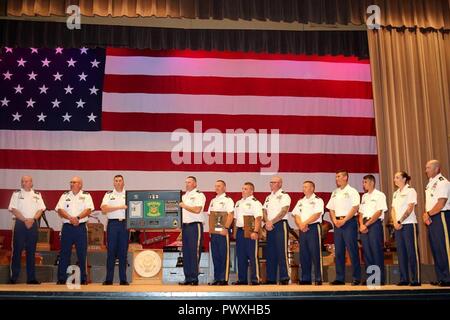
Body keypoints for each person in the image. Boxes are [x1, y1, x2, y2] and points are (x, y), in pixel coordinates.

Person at [55, 176, 94, 285]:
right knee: (64, 253)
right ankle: (62, 278)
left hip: (80, 227)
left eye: (74, 182)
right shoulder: (65, 195)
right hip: (67, 227)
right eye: (71, 182)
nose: (72, 184)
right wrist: (70, 218)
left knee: (82, 254)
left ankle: (83, 279)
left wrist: (77, 218)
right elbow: (59, 209)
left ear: (80, 184)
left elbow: (88, 210)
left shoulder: (86, 195)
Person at [8, 176, 46, 284]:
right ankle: (14, 277)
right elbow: (13, 209)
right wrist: (25, 220)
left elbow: (41, 209)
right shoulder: (16, 194)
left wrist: (33, 219)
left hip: (33, 223)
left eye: (26, 181)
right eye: (22, 181)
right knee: (17, 251)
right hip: (20, 223)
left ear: (31, 183)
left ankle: (31, 278)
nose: (24, 183)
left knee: (31, 252)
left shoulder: (37, 195)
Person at [326, 170, 361, 285]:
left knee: (352, 250)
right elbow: (331, 208)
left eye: (339, 176)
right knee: (339, 251)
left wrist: (344, 220)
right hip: (337, 224)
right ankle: (340, 278)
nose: (337, 179)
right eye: (336, 177)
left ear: (345, 177)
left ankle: (356, 277)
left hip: (349, 222)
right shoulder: (335, 192)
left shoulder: (352, 191)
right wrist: (334, 220)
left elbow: (355, 207)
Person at [423, 160, 450, 287]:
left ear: (436, 168)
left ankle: (447, 277)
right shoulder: (430, 184)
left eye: (428, 168)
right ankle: (441, 277)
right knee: (435, 248)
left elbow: (441, 203)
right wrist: (426, 215)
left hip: (441, 216)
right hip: (432, 217)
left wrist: (428, 214)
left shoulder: (442, 182)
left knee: (443, 247)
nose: (426, 170)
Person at [391, 171, 421, 286]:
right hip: (398, 226)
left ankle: (415, 279)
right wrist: (395, 222)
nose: (395, 179)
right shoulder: (395, 193)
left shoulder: (410, 191)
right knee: (401, 253)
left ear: (404, 179)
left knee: (411, 252)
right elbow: (393, 209)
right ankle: (404, 279)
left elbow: (409, 208)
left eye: (397, 177)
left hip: (409, 224)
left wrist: (400, 221)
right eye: (394, 178)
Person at [292, 181, 324, 285]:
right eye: (303, 187)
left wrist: (304, 223)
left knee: (315, 253)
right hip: (302, 229)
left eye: (306, 187)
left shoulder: (318, 200)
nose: (303, 189)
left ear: (312, 188)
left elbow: (317, 214)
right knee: (304, 254)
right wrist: (300, 224)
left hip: (313, 227)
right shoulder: (301, 201)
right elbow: (296, 215)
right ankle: (306, 278)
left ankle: (318, 278)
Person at [358, 175, 388, 285]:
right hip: (364, 224)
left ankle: (379, 279)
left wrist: (367, 224)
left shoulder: (380, 195)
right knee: (367, 252)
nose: (363, 184)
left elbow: (379, 212)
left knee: (376, 251)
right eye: (363, 182)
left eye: (365, 182)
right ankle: (371, 279)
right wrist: (361, 224)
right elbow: (360, 213)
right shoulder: (364, 196)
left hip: (374, 224)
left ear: (371, 182)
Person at [101, 175, 129, 286]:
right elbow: (103, 208)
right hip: (112, 224)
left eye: (120, 180)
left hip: (124, 224)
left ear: (123, 182)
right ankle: (109, 279)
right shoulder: (108, 195)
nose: (118, 182)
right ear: (113, 183)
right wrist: (120, 207)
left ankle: (123, 279)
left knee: (123, 252)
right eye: (116, 181)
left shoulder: (127, 195)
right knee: (111, 252)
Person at [263, 176, 291, 285]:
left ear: (280, 184)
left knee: (281, 251)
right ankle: (271, 278)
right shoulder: (268, 197)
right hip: (269, 225)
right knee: (270, 253)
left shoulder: (284, 196)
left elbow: (284, 211)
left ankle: (284, 277)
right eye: (271, 182)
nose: (271, 184)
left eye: (274, 182)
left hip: (280, 225)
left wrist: (271, 222)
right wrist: (267, 222)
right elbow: (264, 210)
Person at [233, 182, 262, 285]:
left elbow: (258, 218)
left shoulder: (255, 202)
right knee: (240, 256)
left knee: (252, 255)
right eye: (242, 188)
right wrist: (235, 233)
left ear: (251, 191)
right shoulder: (238, 203)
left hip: (251, 231)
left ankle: (255, 279)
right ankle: (242, 279)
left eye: (245, 189)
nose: (243, 190)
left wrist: (256, 231)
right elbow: (236, 220)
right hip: (240, 231)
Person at [178, 176, 206, 286]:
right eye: (186, 182)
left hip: (195, 226)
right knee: (187, 253)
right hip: (185, 227)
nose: (187, 184)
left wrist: (184, 205)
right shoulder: (184, 196)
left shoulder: (199, 195)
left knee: (194, 252)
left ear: (195, 184)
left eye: (189, 182)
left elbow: (197, 209)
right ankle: (188, 277)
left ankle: (194, 278)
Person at [207, 180, 234, 285]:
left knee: (224, 255)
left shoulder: (228, 200)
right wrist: (210, 229)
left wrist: (226, 228)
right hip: (214, 233)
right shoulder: (213, 200)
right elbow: (210, 215)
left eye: (219, 186)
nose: (216, 188)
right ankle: (217, 278)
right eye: (215, 186)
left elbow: (231, 215)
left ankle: (224, 279)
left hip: (223, 232)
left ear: (224, 188)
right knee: (216, 256)